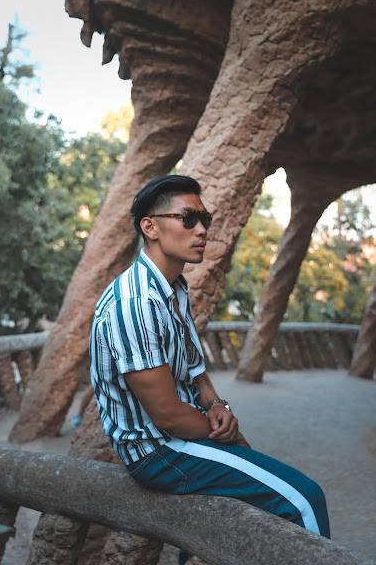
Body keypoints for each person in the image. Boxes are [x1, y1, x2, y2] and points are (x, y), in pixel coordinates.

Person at [89, 175, 330, 561]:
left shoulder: (175, 287)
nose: (201, 229)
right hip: (159, 452)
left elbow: (195, 371)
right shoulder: (133, 303)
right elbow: (166, 414)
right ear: (150, 227)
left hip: (185, 434)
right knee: (303, 500)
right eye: (188, 218)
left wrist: (220, 406)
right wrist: (229, 435)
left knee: (249, 499)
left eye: (205, 219)